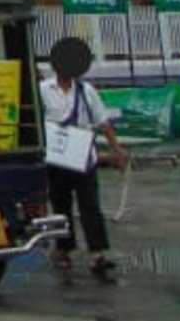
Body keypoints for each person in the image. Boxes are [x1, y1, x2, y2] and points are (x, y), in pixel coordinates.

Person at [41, 49, 122, 277]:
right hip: (57, 159)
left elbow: (103, 121)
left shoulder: (87, 91)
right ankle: (63, 250)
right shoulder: (43, 90)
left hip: (83, 158)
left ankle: (98, 254)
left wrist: (117, 150)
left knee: (91, 206)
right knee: (61, 206)